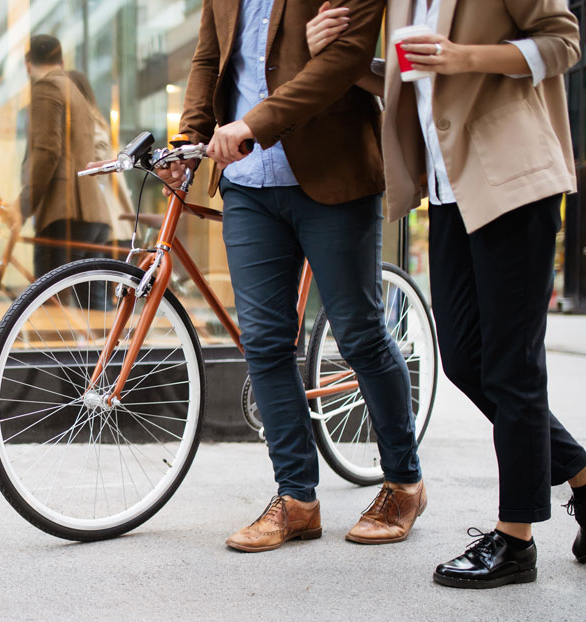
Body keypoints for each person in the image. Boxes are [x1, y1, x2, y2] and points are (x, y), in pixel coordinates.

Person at [309, 0, 586, 588]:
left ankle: (515, 541)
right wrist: (336, 58)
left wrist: (466, 57)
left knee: (512, 365)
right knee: (465, 358)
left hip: (512, 178)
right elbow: (409, 78)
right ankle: (583, 480)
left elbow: (564, 42)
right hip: (448, 191)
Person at [161, 0, 426, 554]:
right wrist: (188, 139)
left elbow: (345, 59)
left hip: (333, 173)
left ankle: (404, 482)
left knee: (358, 334)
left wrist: (252, 124)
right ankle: (297, 498)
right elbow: (210, 60)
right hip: (247, 183)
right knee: (263, 343)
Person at [17, 36, 111, 286]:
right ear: (61, 61)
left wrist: (23, 206)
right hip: (92, 215)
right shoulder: (74, 91)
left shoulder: (45, 89)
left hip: (63, 215)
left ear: (28, 64)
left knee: (49, 310)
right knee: (88, 314)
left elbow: (47, 152)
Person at [66, 70, 135, 247]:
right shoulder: (95, 119)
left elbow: (100, 161)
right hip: (113, 224)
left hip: (109, 223)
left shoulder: (89, 120)